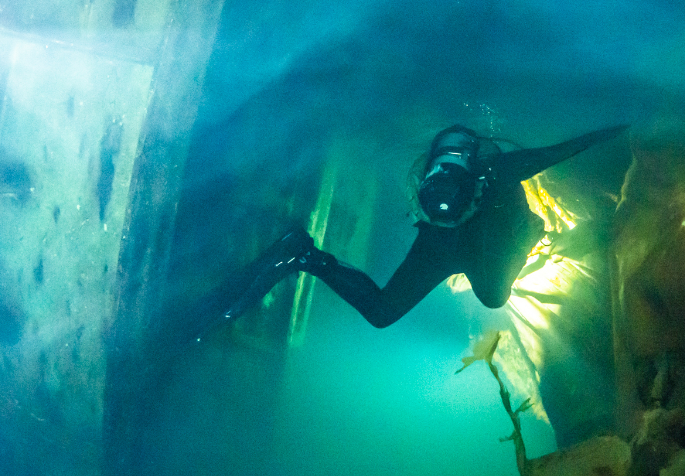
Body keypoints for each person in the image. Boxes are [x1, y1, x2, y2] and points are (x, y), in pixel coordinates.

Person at [187, 123, 628, 338]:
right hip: (445, 243)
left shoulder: (498, 172)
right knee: (384, 314)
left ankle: (530, 232)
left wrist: (625, 126)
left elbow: (566, 148)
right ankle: (305, 256)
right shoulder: (437, 197)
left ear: (473, 189)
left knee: (493, 295)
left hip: (490, 233)